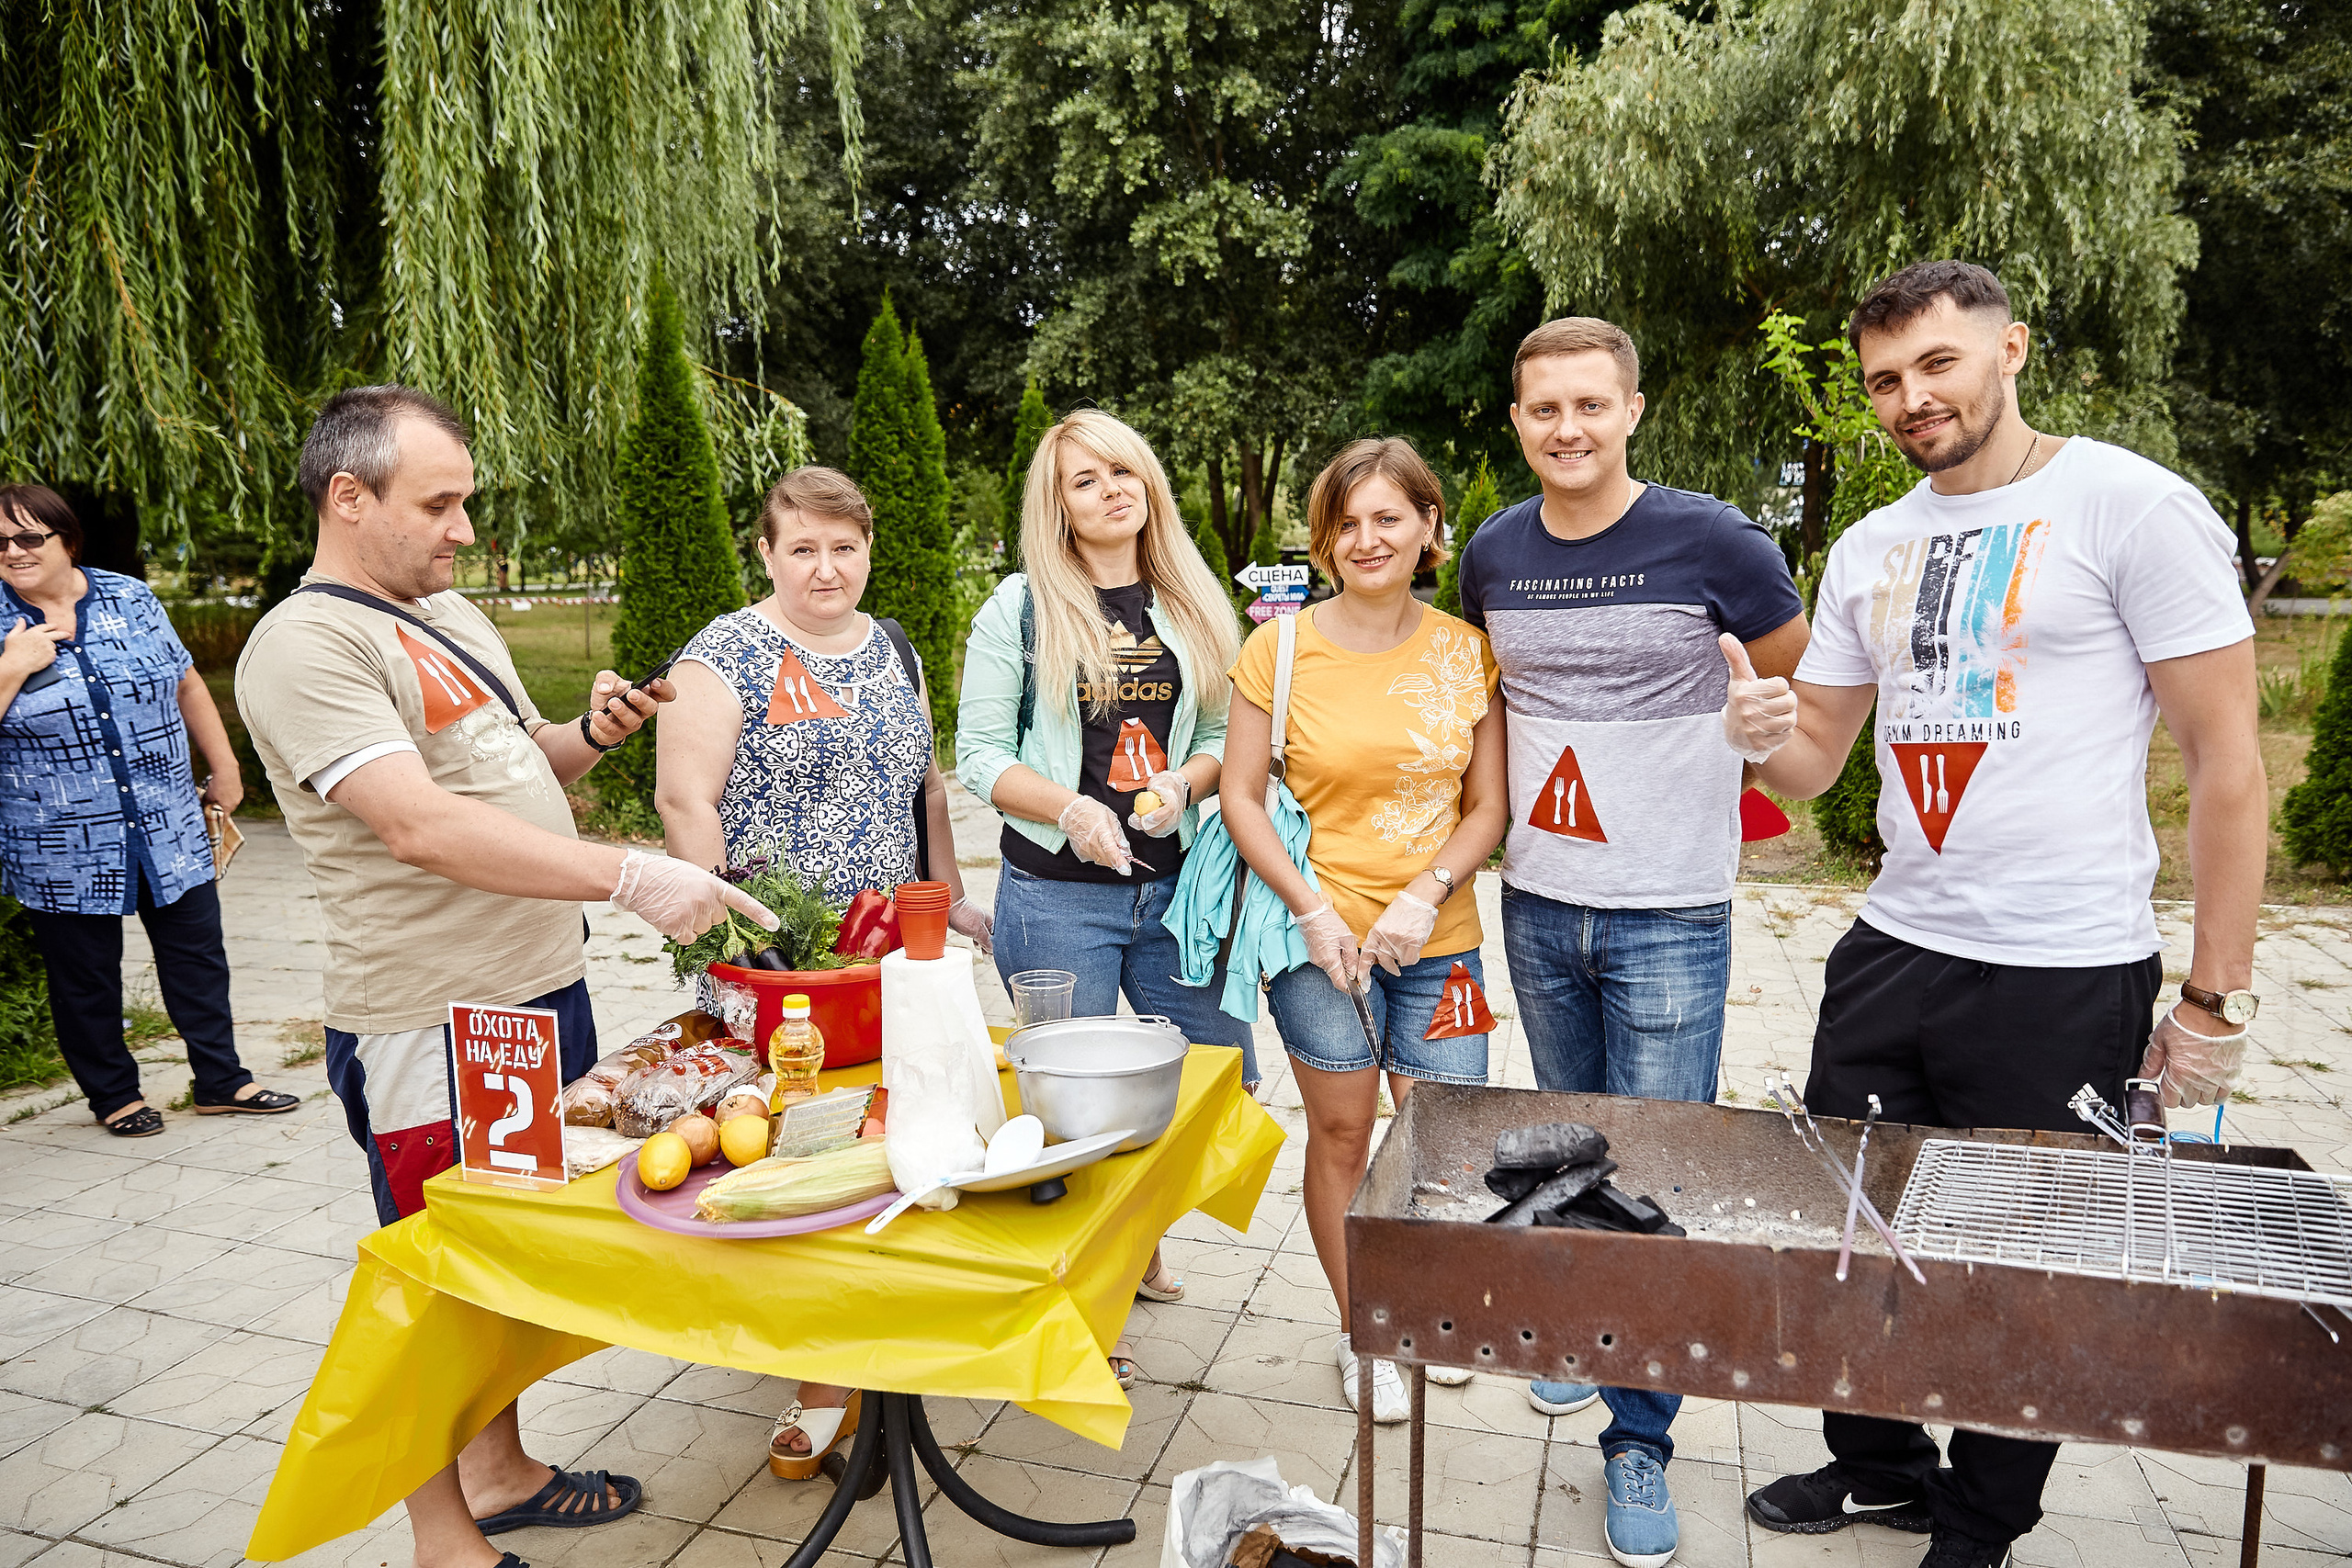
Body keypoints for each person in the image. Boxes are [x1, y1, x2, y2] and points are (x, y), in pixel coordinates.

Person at [1733, 262, 2265, 1568]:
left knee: (2022, 1262)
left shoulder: (2132, 507)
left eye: (1938, 364)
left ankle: (1979, 1524)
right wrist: (1756, 733)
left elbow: (2228, 763)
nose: (1912, 398)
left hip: (2061, 966)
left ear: (2010, 348)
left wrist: (2212, 997)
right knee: (1853, 1229)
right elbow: (1815, 764)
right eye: (1884, 381)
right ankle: (1878, 1466)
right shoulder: (1871, 545)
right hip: (1892, 946)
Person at [238, 385, 772, 1568]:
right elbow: (418, 826)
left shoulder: (448, 615)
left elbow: (526, 766)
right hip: (428, 1021)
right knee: (430, 1283)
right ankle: (444, 1542)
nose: (465, 530)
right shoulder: (306, 645)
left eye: (466, 502)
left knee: (509, 1262)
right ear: (347, 498)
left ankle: (500, 1471)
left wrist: (598, 736)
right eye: (439, 504)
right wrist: (631, 878)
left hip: (535, 1002)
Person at [1454, 317, 1808, 1566]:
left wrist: (1767, 722)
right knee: (1574, 1148)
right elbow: (1486, 703)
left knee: (1655, 1173)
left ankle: (1640, 1435)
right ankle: (1581, 1335)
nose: (1568, 427)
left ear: (1633, 409)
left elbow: (1800, 705)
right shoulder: (1493, 552)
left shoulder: (1717, 540)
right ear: (1518, 420)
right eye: (1545, 408)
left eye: (1591, 405)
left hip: (1670, 906)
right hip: (1539, 898)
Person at [655, 464, 987, 1481]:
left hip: (891, 954)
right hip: (778, 962)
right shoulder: (726, 653)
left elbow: (925, 791)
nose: (825, 567)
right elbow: (683, 804)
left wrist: (953, 899)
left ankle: (882, 1337)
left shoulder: (893, 648)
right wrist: (736, 938)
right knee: (797, 1151)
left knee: (894, 1135)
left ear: (868, 550)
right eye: (801, 547)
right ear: (765, 552)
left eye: (844, 546)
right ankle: (822, 1378)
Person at [956, 407, 1250, 1382]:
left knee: (1216, 1075)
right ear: (1060, 505)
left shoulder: (1192, 598)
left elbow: (1218, 737)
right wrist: (1070, 809)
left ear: (1148, 484)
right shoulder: (1021, 609)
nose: (1111, 489)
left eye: (1123, 470)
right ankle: (1089, 1298)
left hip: (1176, 898)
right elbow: (978, 755)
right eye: (1085, 480)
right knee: (1072, 1112)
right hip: (1053, 895)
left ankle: (1137, 1234)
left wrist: (1184, 786)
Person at [1218, 437, 1508, 1426]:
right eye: (1346, 523)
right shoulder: (1279, 647)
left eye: (1388, 518)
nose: (1366, 539)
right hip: (1316, 943)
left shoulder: (1469, 651)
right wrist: (1308, 911)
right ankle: (1367, 1335)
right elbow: (1239, 798)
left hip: (1442, 938)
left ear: (1430, 528)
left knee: (1439, 1141)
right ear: (1323, 540)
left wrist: (1426, 892)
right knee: (1343, 1135)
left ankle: (1426, 1318)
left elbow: (1487, 808)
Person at [0, 484, 295, 1135]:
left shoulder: (129, 596)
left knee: (197, 954)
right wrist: (12, 667)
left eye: (27, 538)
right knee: (86, 976)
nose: (13, 552)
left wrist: (225, 765)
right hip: (60, 841)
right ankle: (114, 1095)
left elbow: (185, 680)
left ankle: (223, 1079)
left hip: (167, 819)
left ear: (65, 538)